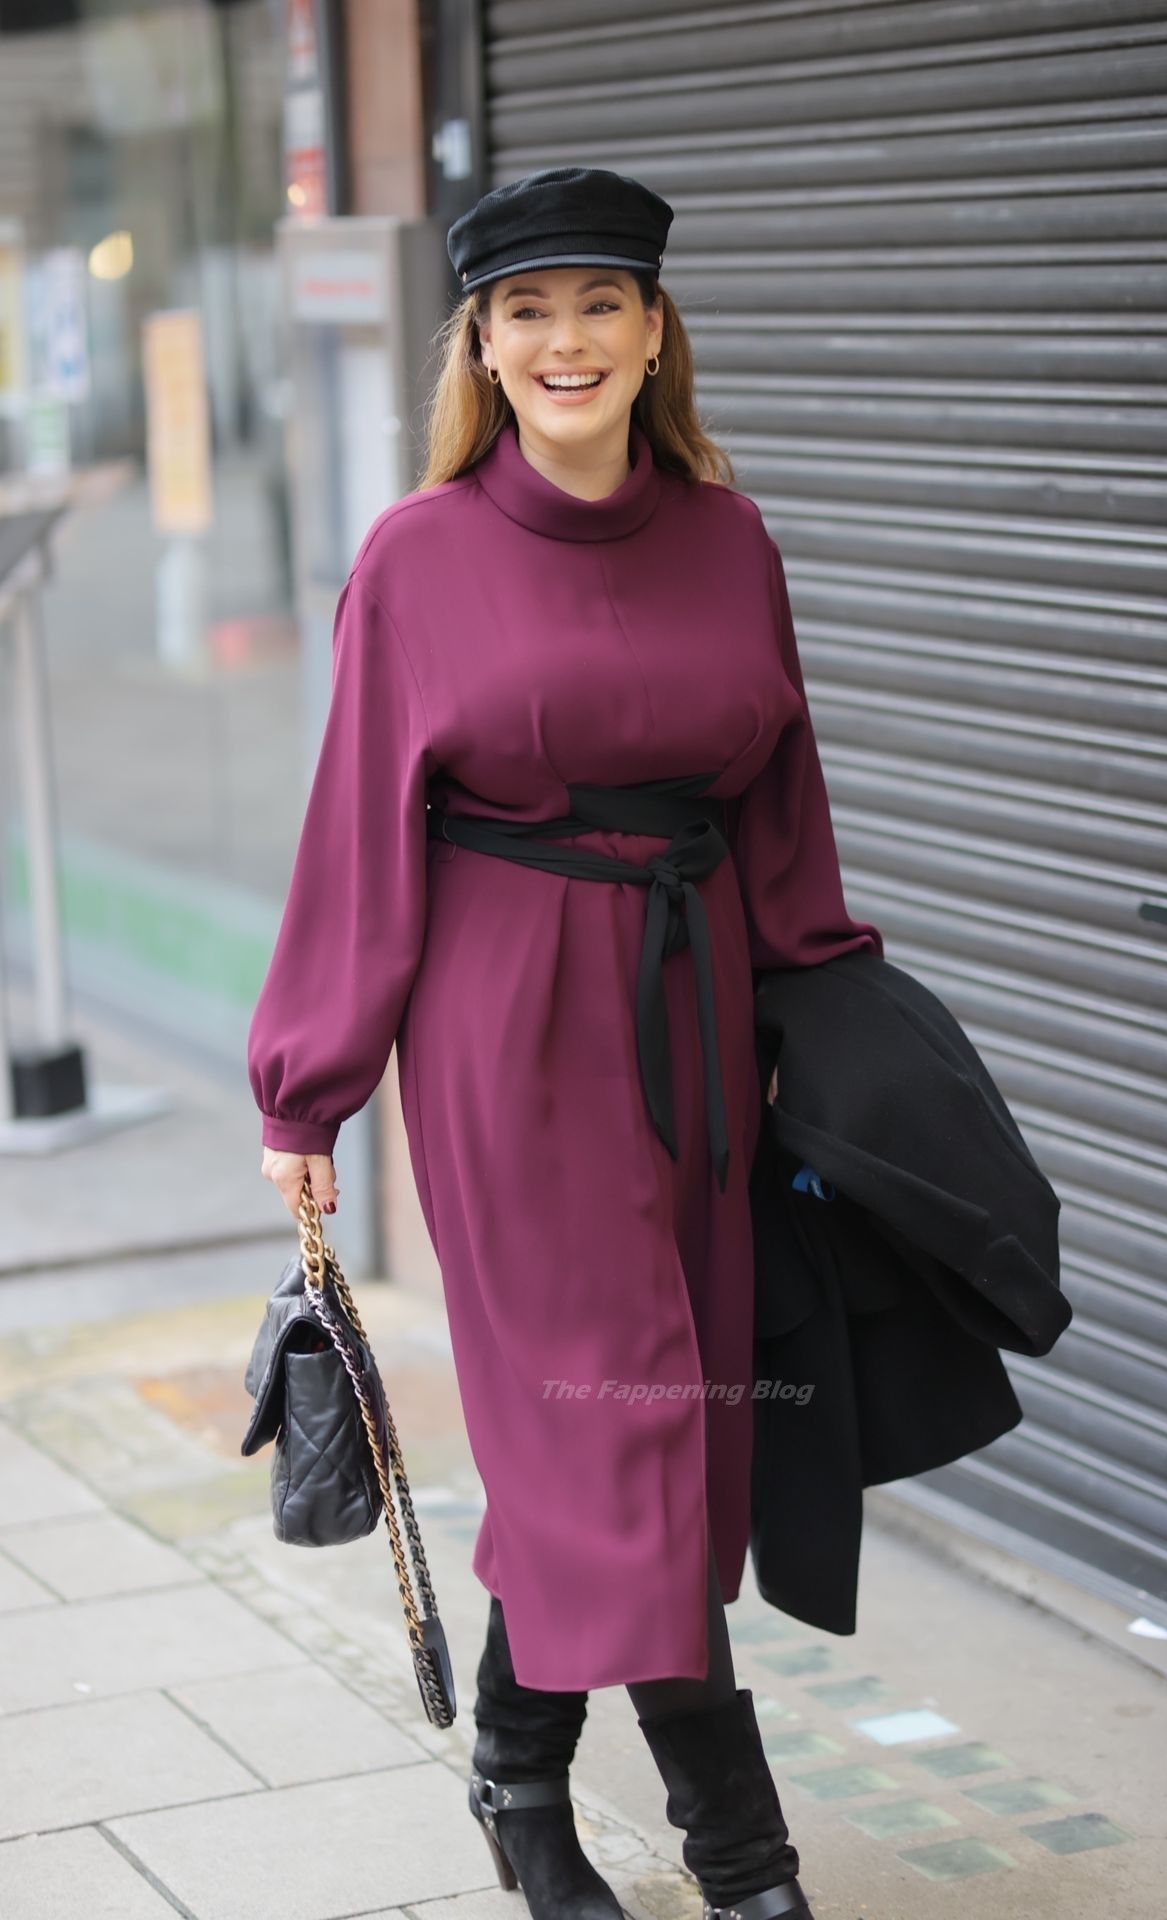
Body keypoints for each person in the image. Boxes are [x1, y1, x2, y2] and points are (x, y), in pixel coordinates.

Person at [248, 165, 883, 1920]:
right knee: (623, 1426)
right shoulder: (419, 556)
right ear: (482, 345)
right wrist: (307, 1089)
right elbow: (357, 839)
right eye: (527, 312)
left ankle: (516, 1773)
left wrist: (824, 1020)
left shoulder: (732, 539)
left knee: (642, 1429)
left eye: (603, 304)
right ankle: (747, 1867)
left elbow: (784, 808)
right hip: (507, 1029)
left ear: (656, 331)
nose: (568, 341)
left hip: (700, 1024)